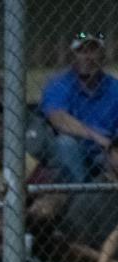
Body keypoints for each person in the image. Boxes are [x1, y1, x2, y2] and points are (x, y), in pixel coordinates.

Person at [40, 31, 118, 182]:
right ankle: (81, 197)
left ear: (102, 56)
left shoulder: (114, 87)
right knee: (65, 143)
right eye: (82, 51)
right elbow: (57, 117)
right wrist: (100, 139)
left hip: (109, 152)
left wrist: (113, 148)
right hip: (77, 150)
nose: (88, 57)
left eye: (93, 51)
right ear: (72, 56)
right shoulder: (59, 84)